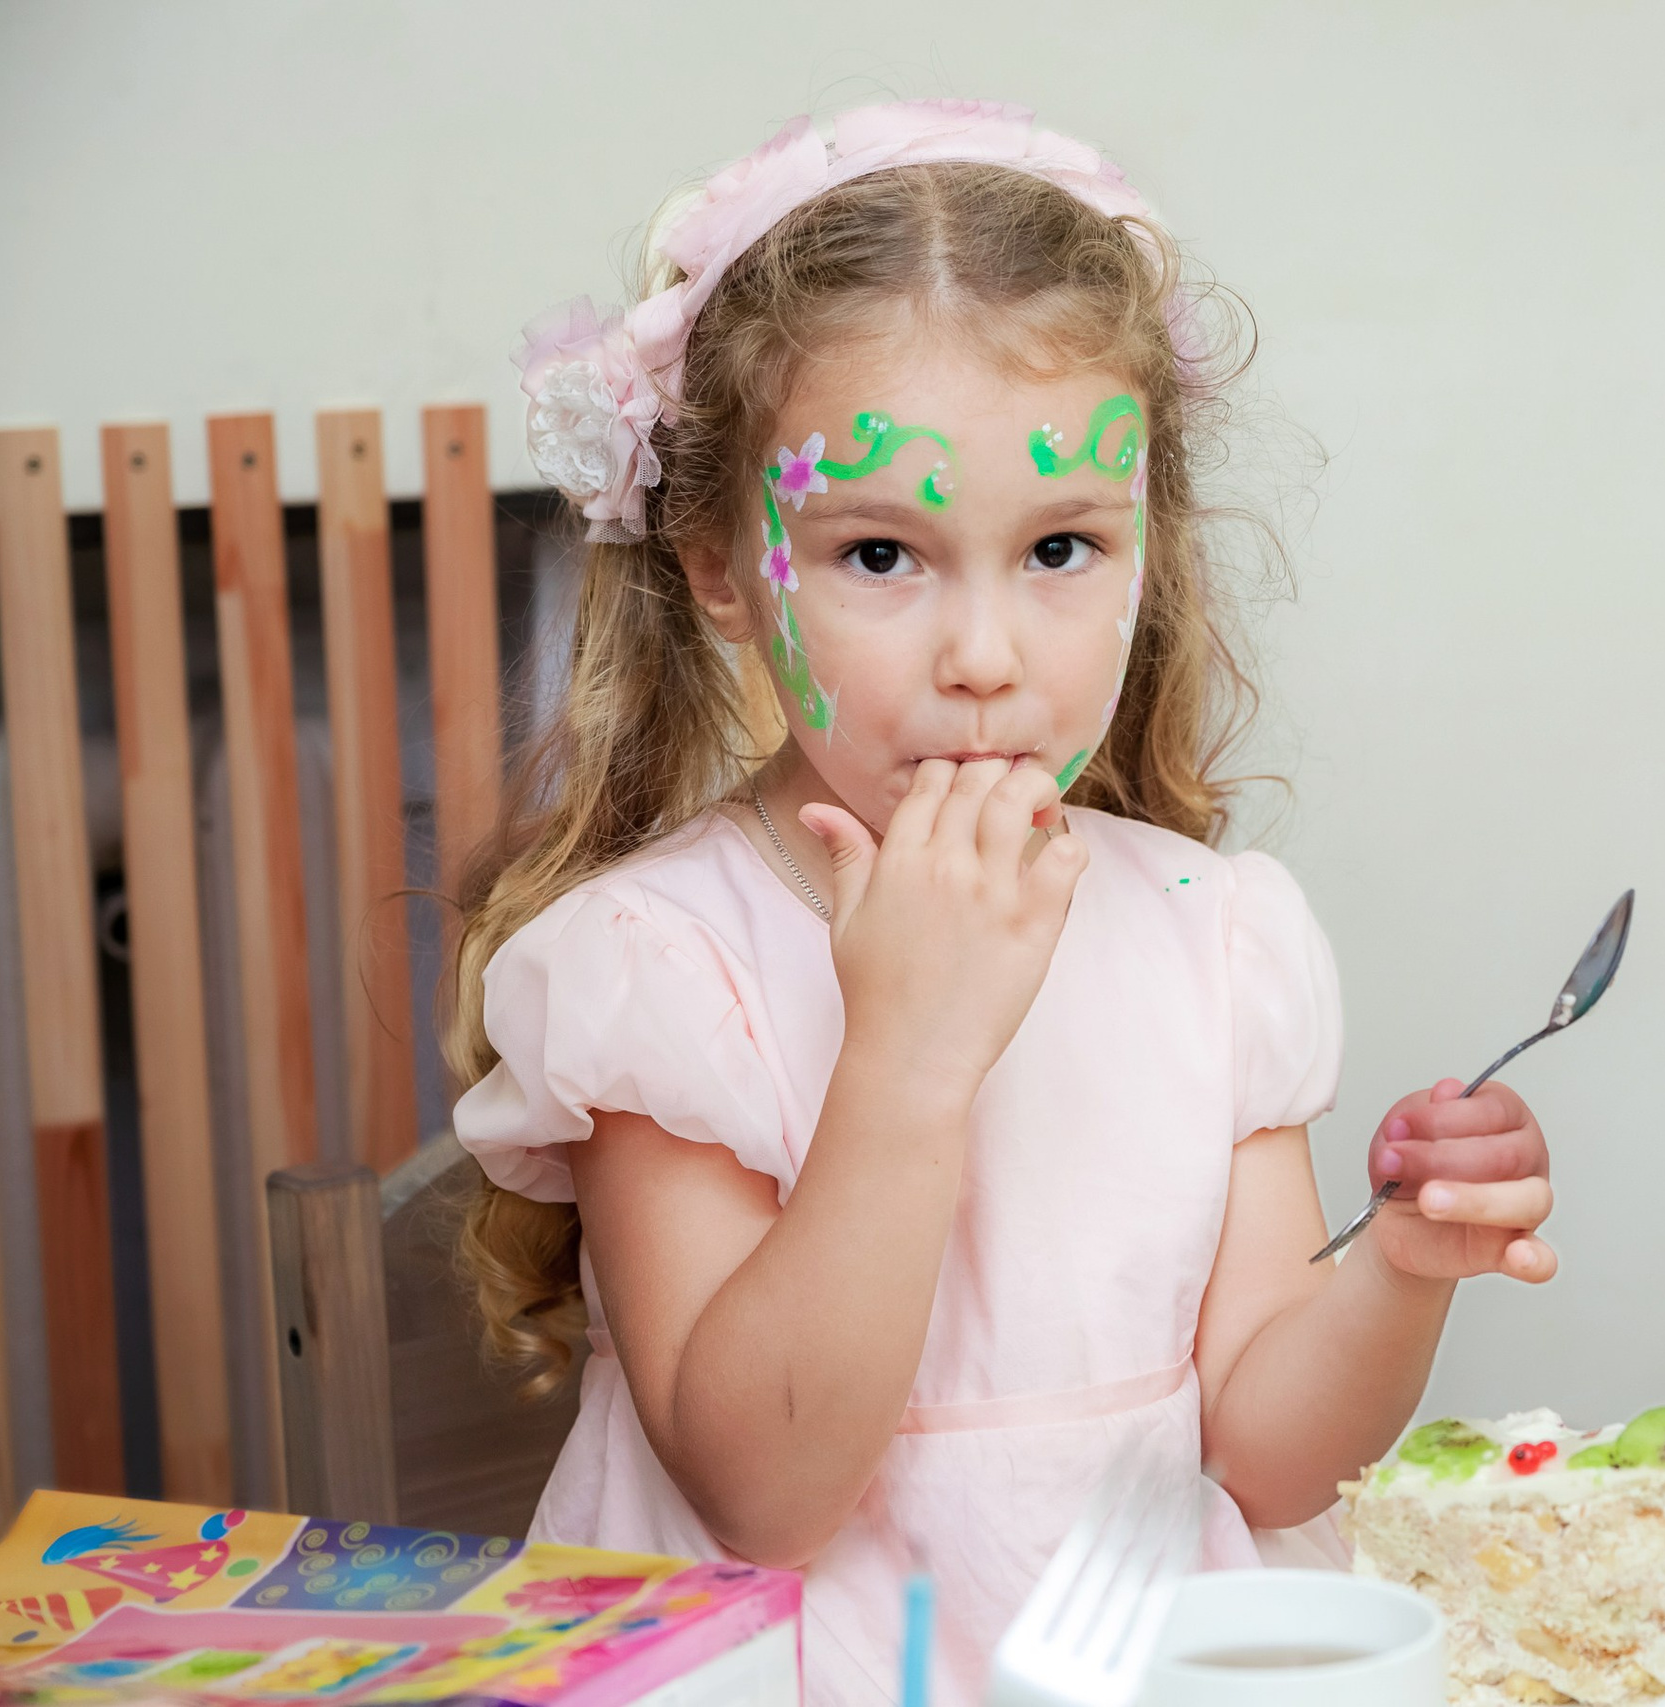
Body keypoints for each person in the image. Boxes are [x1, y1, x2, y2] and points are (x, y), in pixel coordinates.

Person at [445, 103, 1560, 1707]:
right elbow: (767, 1495)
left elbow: (1265, 1457)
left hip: (1149, 1665)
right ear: (721, 565)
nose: (985, 655)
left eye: (1058, 547)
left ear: (1144, 548)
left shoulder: (1208, 932)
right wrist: (906, 1051)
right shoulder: (662, 969)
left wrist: (1401, 1266)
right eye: (882, 554)